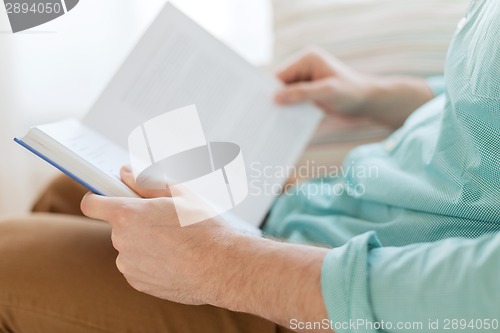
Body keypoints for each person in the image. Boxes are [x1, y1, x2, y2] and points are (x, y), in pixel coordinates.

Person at [1, 1, 498, 332]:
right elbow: (479, 118)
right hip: (327, 214)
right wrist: (391, 97)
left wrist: (225, 265)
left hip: (336, 300)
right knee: (72, 187)